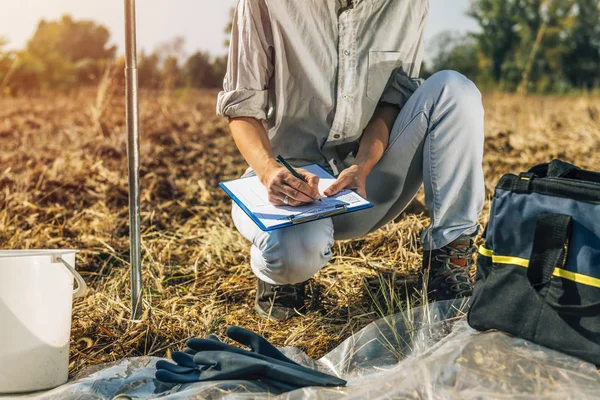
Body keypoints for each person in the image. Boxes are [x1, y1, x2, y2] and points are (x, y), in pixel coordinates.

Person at [217, 0, 485, 320]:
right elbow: (242, 109)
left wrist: (363, 164)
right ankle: (278, 278)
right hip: (287, 181)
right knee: (291, 258)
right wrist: (269, 170)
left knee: (455, 90)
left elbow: (392, 101)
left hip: (366, 184)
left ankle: (449, 258)